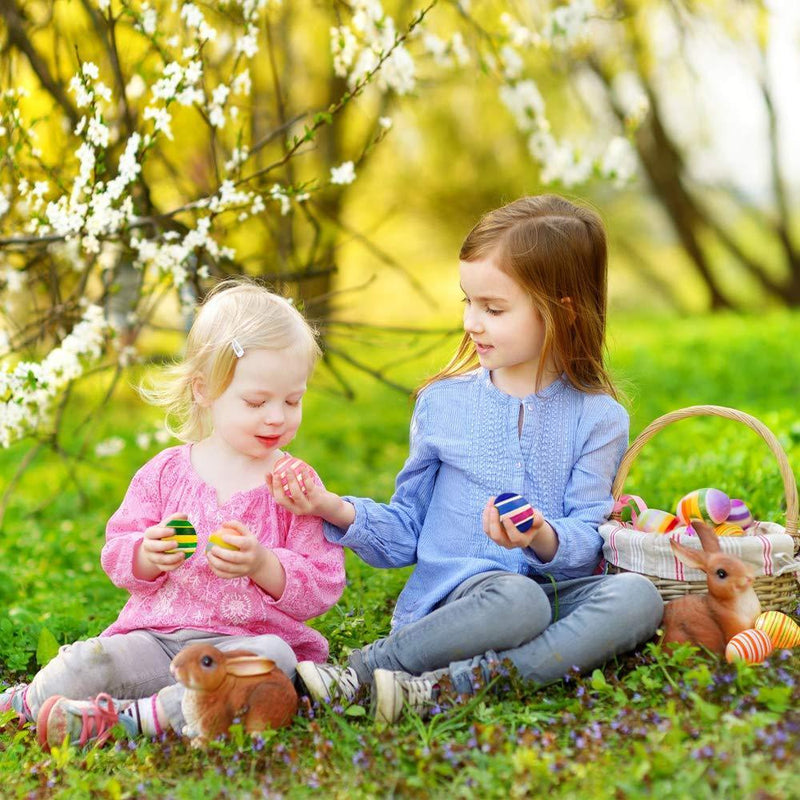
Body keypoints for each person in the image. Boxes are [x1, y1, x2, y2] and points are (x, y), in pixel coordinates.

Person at [269, 195, 663, 723]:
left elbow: (587, 536)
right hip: (463, 600)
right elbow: (409, 527)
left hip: (554, 591)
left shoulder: (599, 417)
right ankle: (364, 672)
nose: (472, 323)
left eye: (494, 309)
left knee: (638, 598)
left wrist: (540, 535)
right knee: (517, 602)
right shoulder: (444, 403)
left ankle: (445, 689)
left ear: (563, 310)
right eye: (467, 302)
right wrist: (334, 508)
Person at [0, 280, 346, 748]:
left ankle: (127, 720)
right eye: (256, 401)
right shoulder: (164, 472)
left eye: (292, 400)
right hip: (155, 639)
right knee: (90, 661)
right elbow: (118, 552)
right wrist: (147, 553)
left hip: (239, 645)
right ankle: (27, 702)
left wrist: (264, 565)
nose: (276, 418)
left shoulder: (294, 487)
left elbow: (323, 586)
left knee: (272, 660)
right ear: (204, 390)